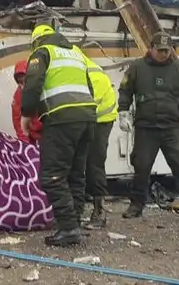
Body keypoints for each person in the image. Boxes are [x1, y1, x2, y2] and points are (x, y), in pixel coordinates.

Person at [117, 31, 179, 221]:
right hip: (146, 127)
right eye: (160, 50)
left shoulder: (178, 70)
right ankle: (136, 205)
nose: (164, 54)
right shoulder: (137, 68)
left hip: (172, 127)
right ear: (151, 49)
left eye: (167, 50)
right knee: (141, 167)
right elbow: (125, 91)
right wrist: (123, 113)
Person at [20, 24, 97, 246]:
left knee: (52, 175)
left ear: (36, 41)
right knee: (75, 172)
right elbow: (89, 86)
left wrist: (27, 114)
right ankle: (75, 221)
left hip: (61, 118)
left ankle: (69, 228)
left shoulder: (43, 52)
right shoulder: (76, 53)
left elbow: (33, 84)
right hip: (88, 117)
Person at [72, 46, 117, 230]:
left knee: (94, 163)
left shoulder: (92, 74)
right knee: (79, 164)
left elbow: (88, 104)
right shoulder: (75, 71)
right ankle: (77, 211)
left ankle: (99, 211)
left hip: (101, 120)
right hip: (86, 119)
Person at [11, 60, 43, 144]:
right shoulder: (18, 95)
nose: (23, 85)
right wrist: (24, 141)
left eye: (25, 81)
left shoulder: (43, 87)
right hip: (33, 136)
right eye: (20, 82)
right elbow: (17, 120)